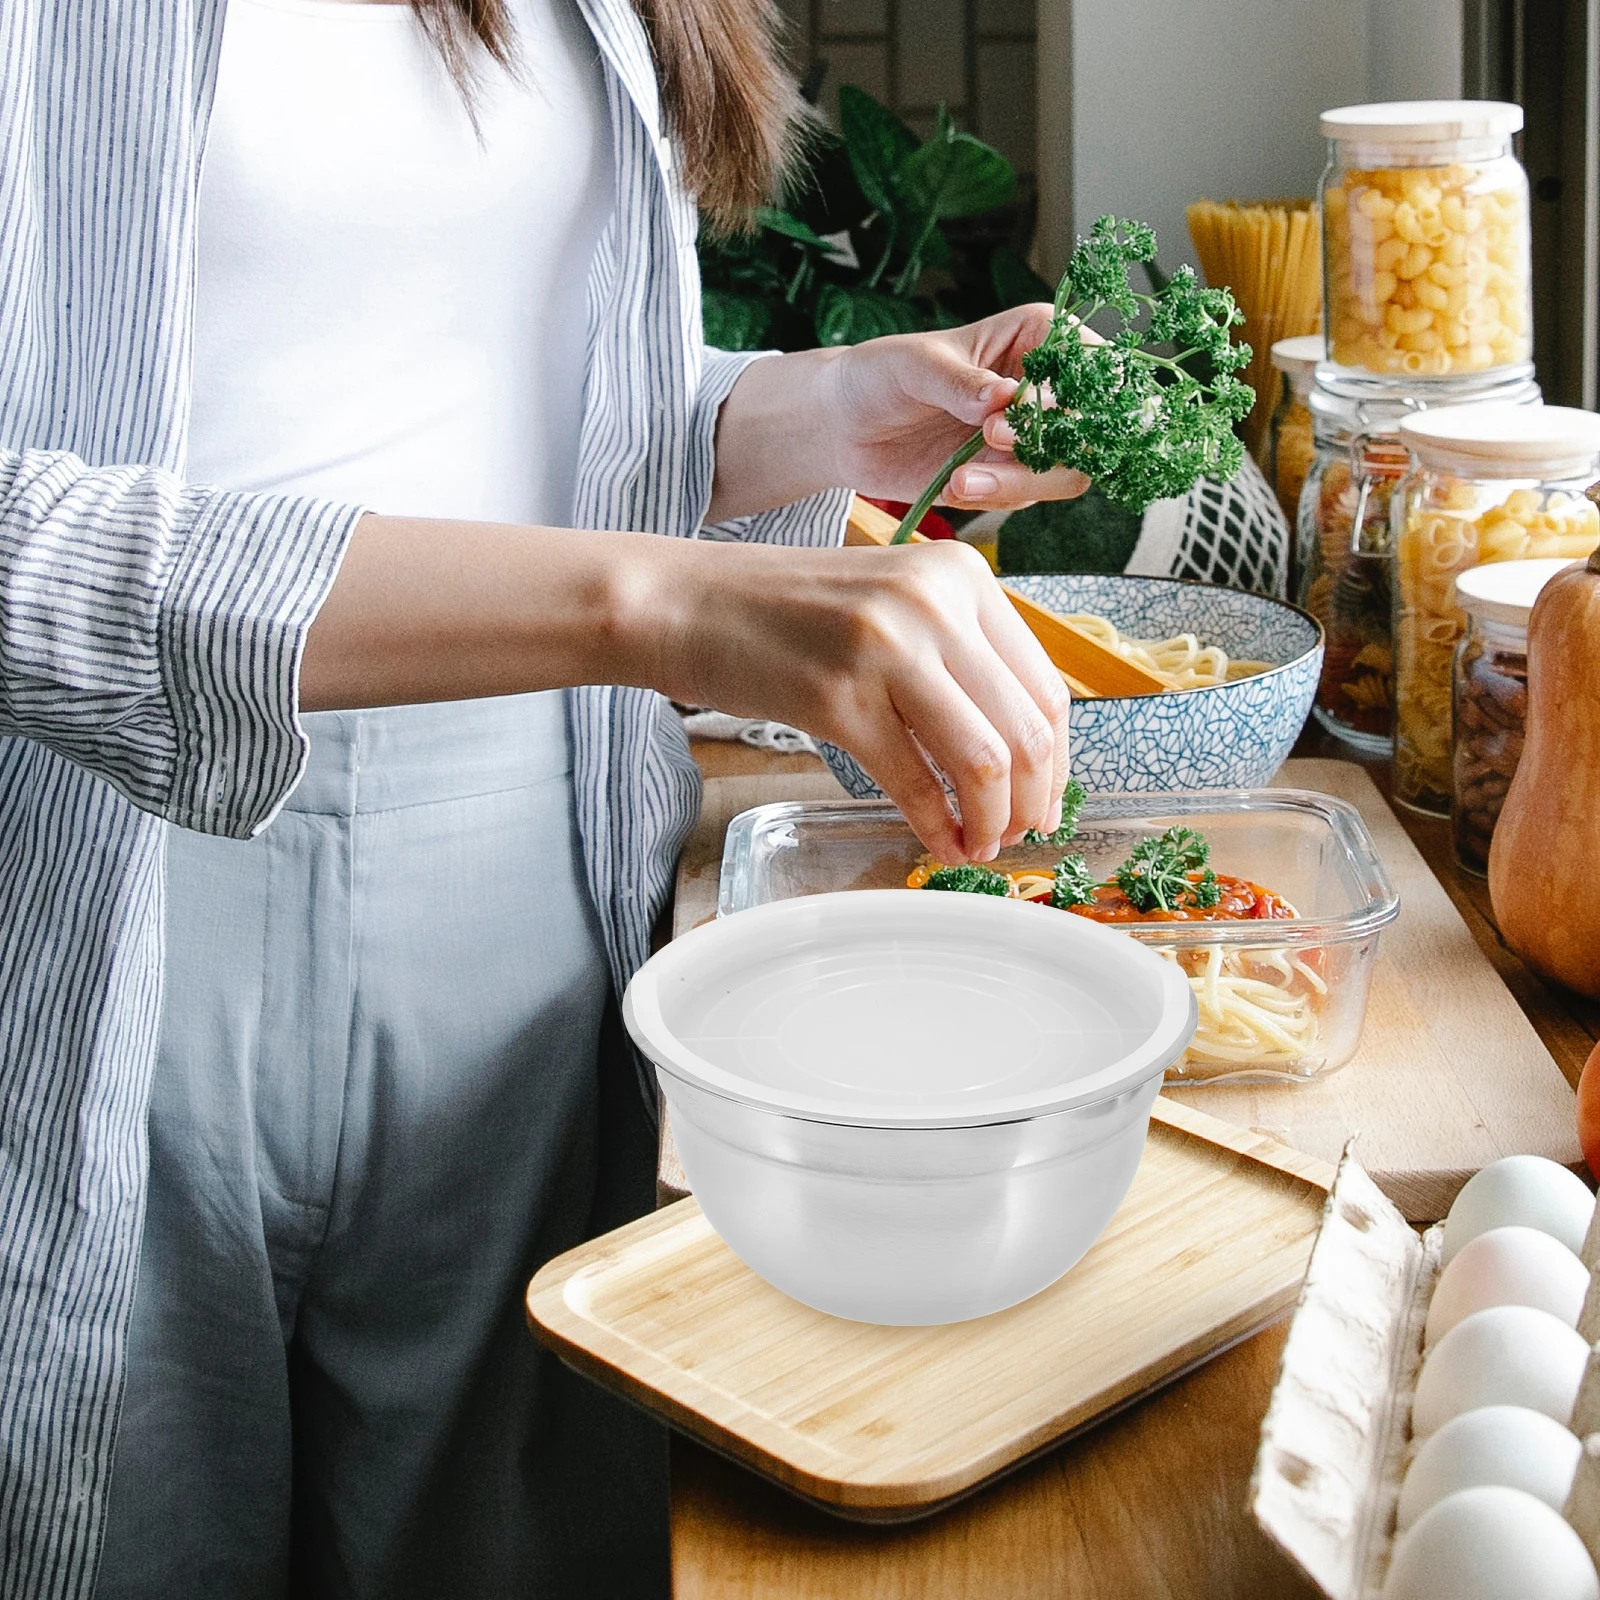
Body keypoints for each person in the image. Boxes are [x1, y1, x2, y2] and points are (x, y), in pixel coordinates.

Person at [0, 1, 1087, 1596]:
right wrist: (656, 602)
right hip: (105, 896)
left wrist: (801, 418)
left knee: (505, 1541)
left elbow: (468, 407)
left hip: (531, 886)